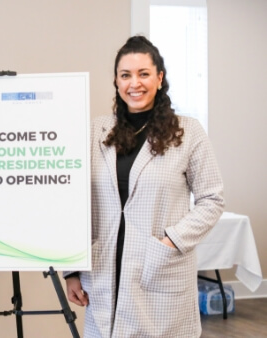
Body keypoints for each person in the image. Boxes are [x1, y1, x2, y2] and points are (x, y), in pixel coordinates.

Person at [65, 35, 224, 337]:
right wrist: (72, 271)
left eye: (143, 74)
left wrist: (171, 241)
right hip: (103, 273)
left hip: (159, 272)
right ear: (116, 80)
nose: (134, 83)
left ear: (160, 78)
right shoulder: (95, 131)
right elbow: (75, 202)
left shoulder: (188, 132)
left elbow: (212, 199)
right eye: (125, 75)